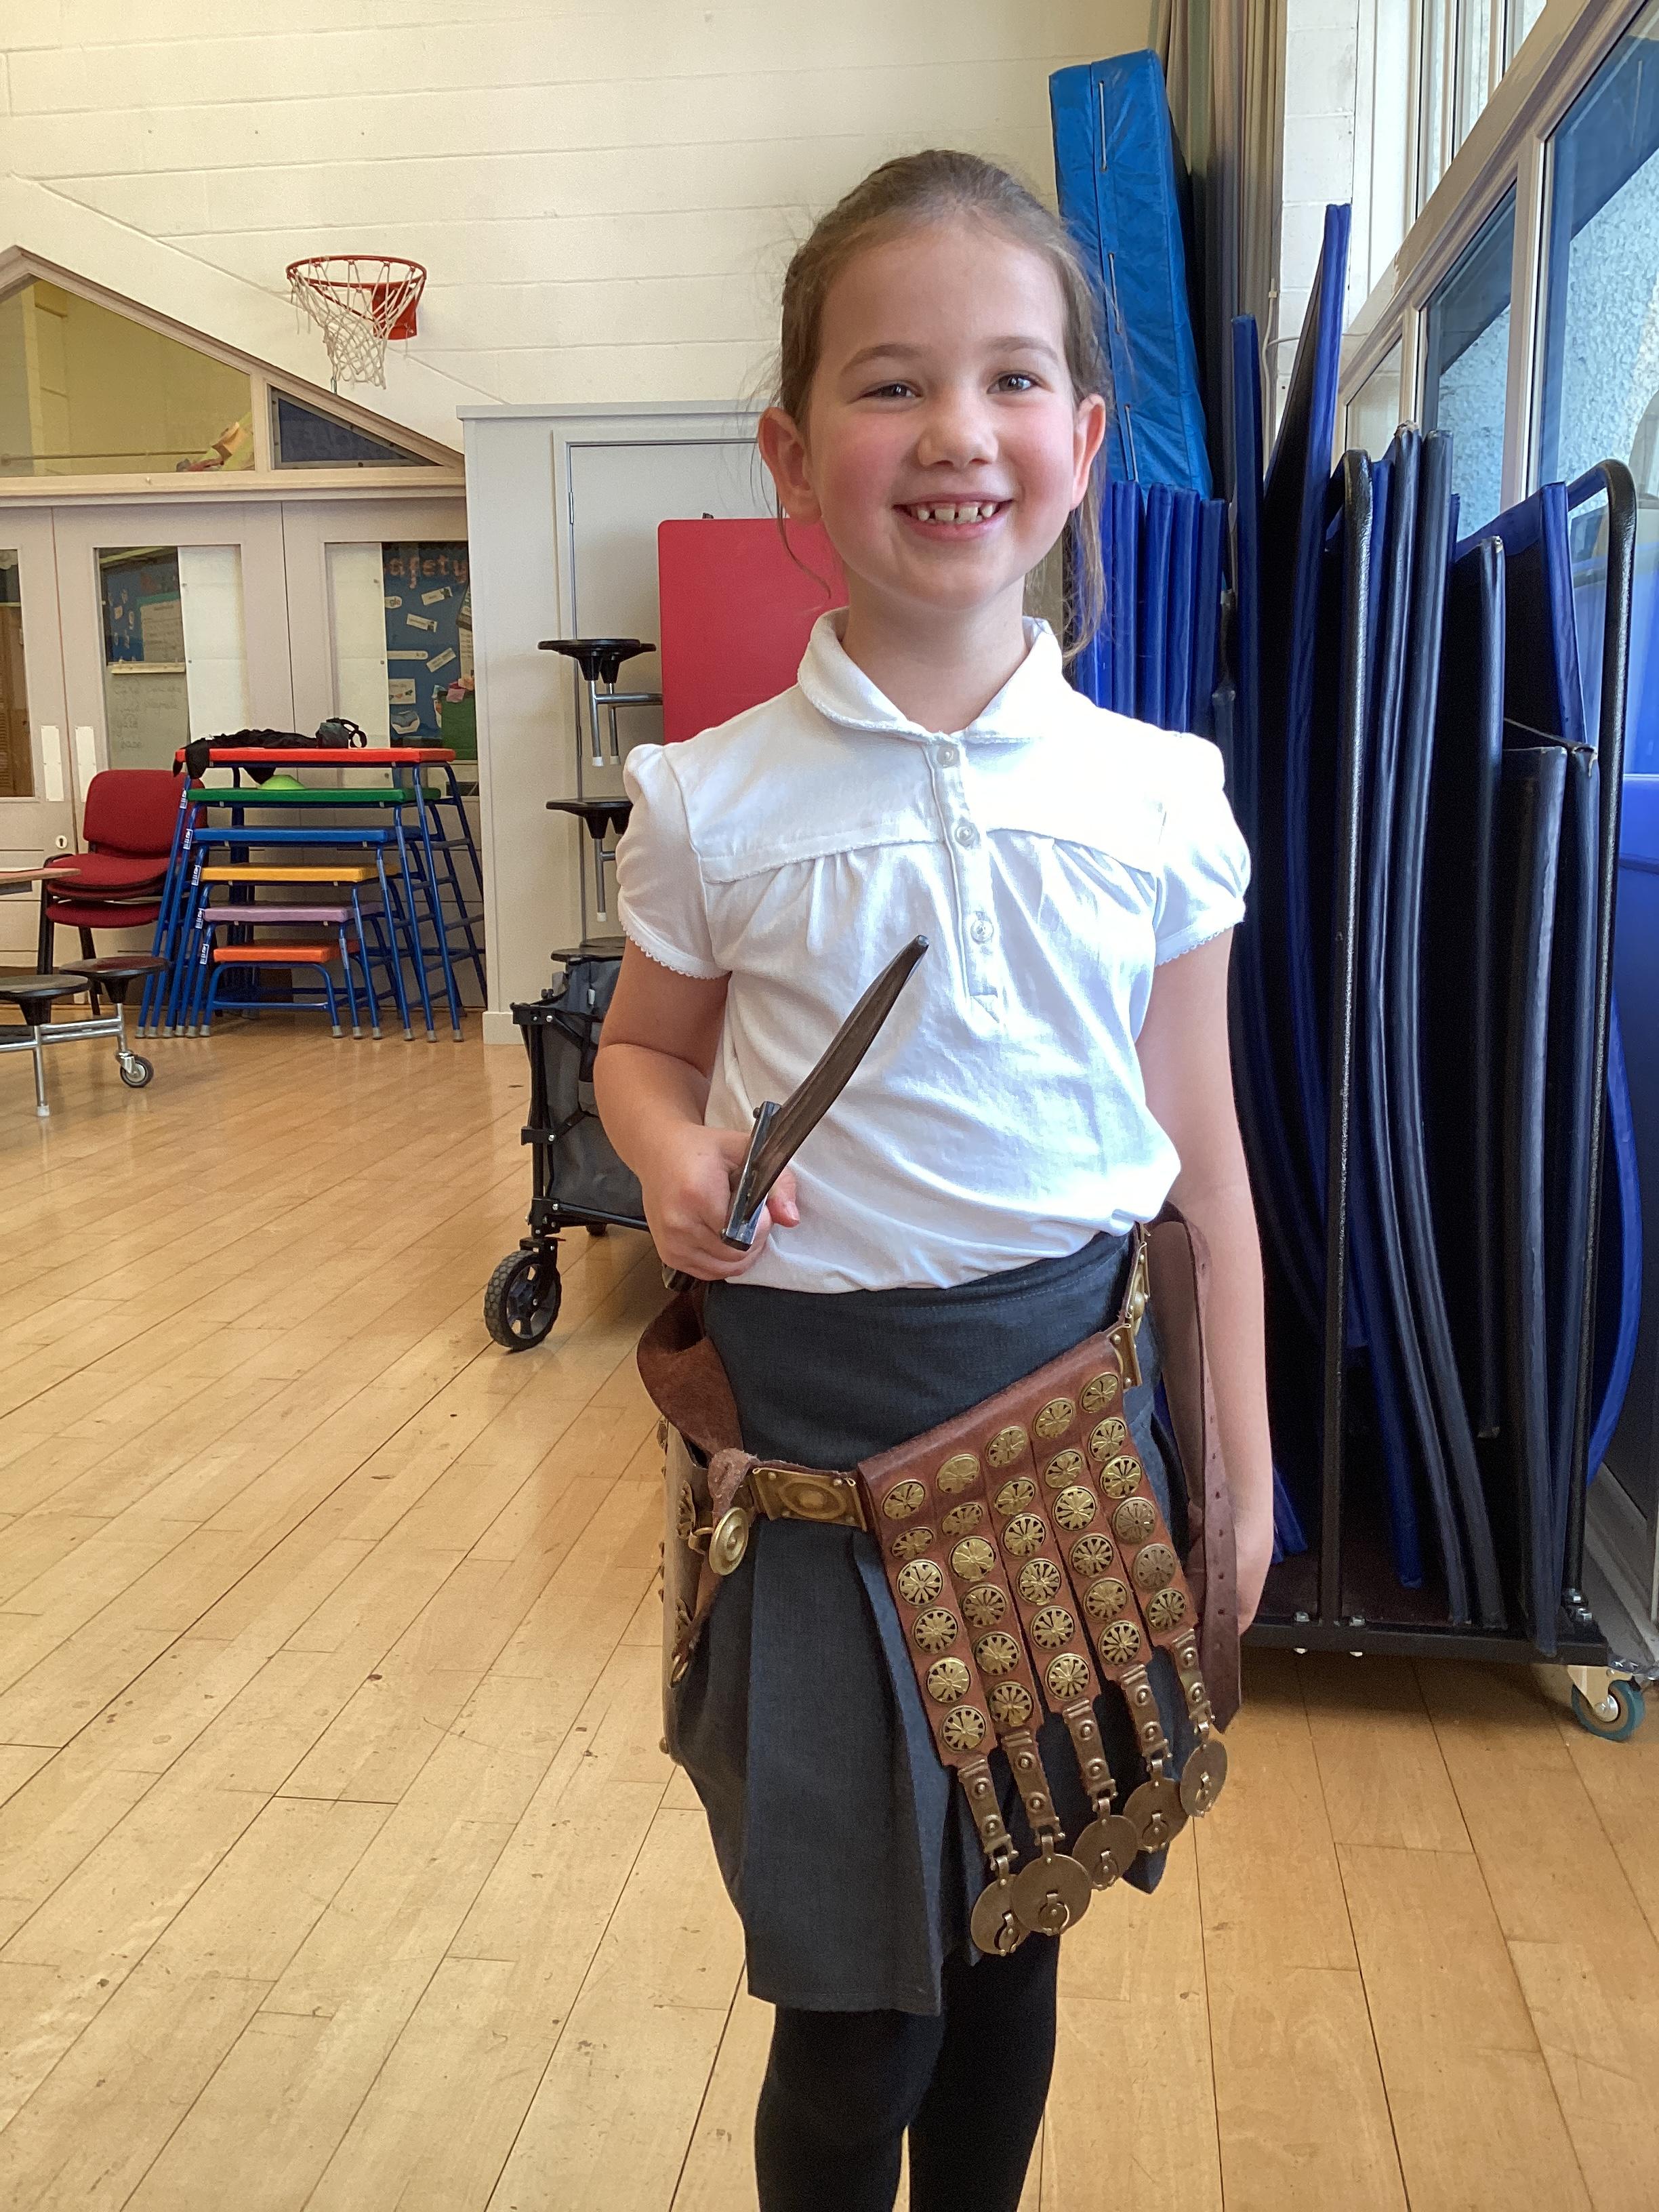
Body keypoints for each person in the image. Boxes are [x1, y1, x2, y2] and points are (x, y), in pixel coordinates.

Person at [594, 148, 1273, 2212]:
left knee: (1012, 1939)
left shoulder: (1160, 799)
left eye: (1010, 379)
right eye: (891, 385)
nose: (957, 432)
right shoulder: (711, 799)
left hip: (1073, 1439)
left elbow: (1205, 1167)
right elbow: (643, 1053)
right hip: (810, 1473)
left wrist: (1241, 1478)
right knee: (853, 2012)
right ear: (793, 452)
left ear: (1085, 436)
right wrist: (671, 1157)